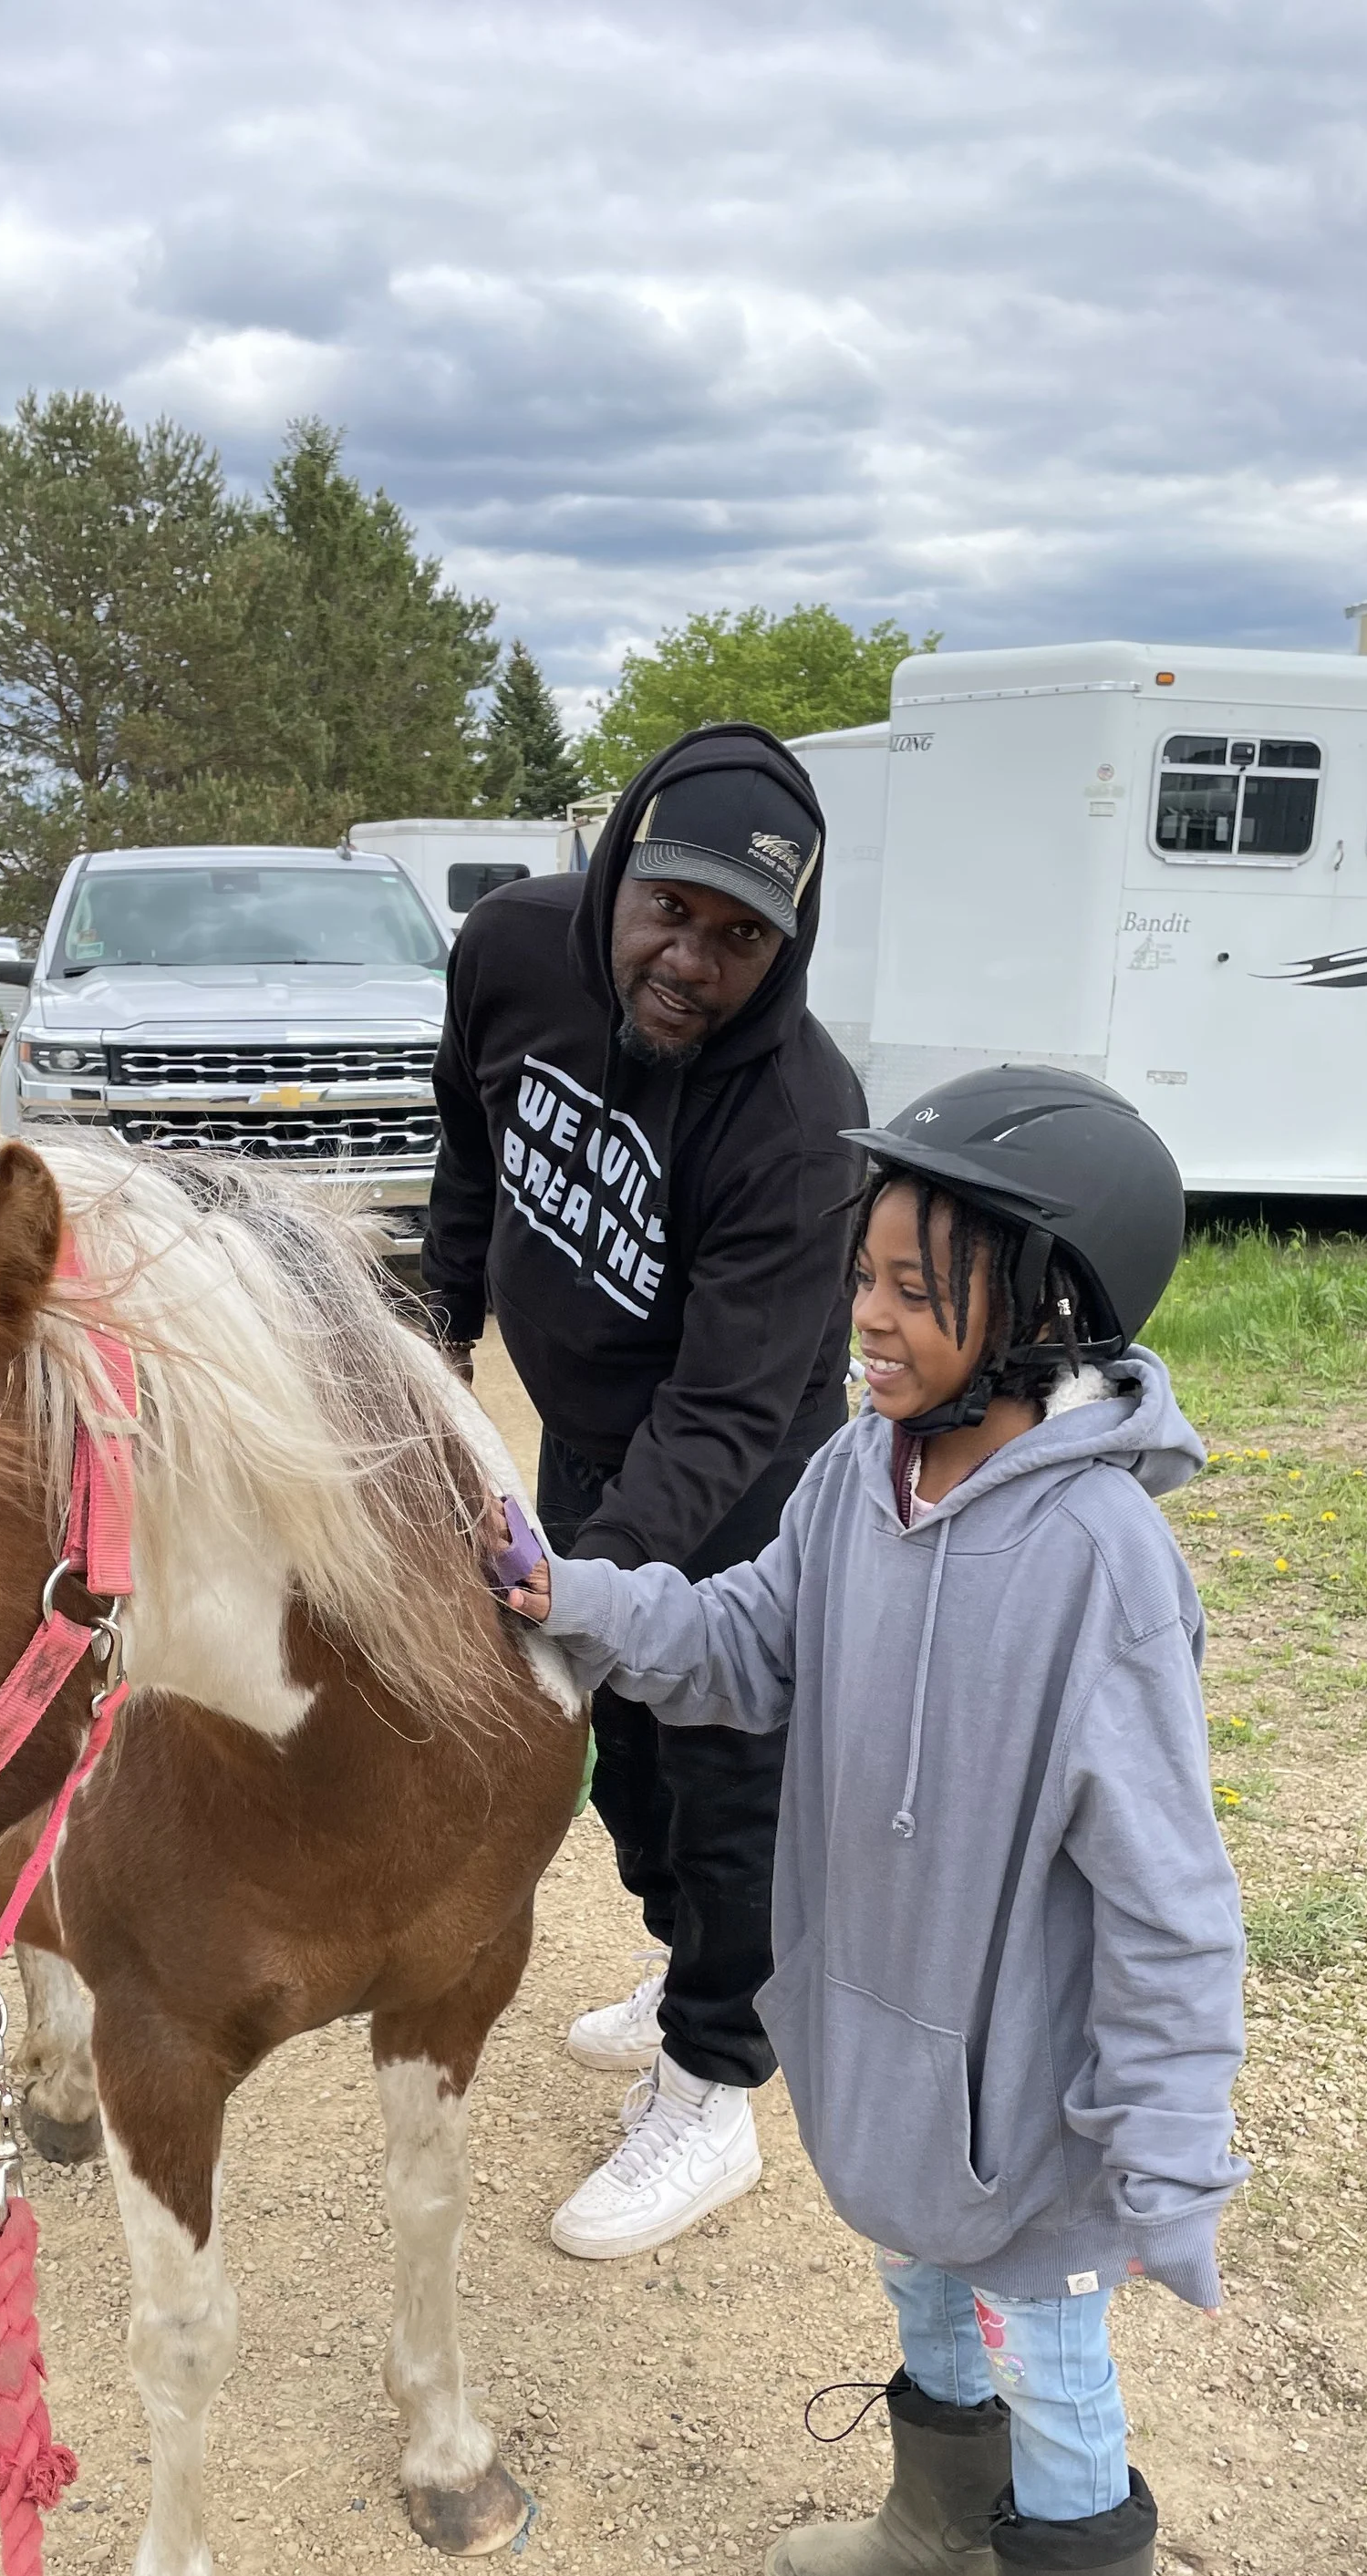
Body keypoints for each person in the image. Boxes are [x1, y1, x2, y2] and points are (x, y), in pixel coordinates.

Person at [491, 1065, 1248, 2576]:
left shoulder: (1099, 1561)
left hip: (1030, 2089)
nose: (870, 1316)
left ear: (1041, 1310)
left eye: (919, 1288)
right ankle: (932, 2531)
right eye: (868, 1274)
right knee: (916, 2277)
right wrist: (577, 1601)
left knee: (1052, 2353)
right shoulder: (850, 1479)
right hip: (886, 2055)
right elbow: (740, 1641)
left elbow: (1165, 1893)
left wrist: (1163, 2147)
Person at [423, 722, 863, 2260]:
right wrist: (441, 1345)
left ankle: (717, 2081)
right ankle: (693, 1968)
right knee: (614, 1752)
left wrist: (581, 1585)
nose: (694, 958)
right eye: (671, 907)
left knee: (720, 1767)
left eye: (744, 936)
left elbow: (728, 1411)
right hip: (590, 1425)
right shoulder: (511, 952)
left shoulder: (801, 1125)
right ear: (618, 874)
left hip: (741, 1466)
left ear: (788, 947)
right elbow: (470, 1143)